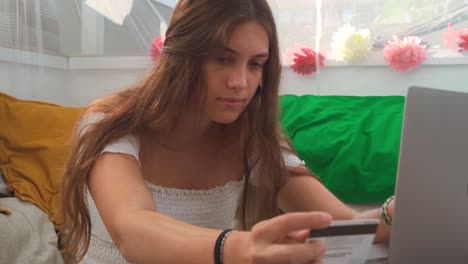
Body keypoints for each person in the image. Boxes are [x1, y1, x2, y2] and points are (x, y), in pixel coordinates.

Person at [60, 0, 395, 263]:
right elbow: (132, 230)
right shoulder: (111, 123)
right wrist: (238, 249)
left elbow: (341, 226)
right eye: (223, 59)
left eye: (255, 64)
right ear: (181, 56)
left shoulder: (251, 141)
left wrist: (393, 213)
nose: (241, 83)